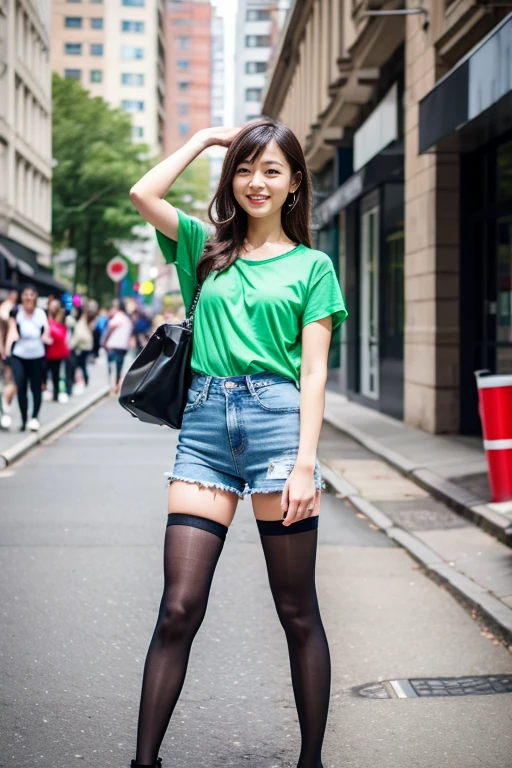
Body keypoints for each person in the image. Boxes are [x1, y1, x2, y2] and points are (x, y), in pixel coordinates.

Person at [128, 119, 348, 768]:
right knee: (177, 608)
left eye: (272, 171)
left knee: (296, 610)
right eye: (247, 169)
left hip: (281, 434)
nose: (257, 181)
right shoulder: (205, 247)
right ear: (233, 178)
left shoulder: (314, 267)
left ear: (294, 185)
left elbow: (313, 371)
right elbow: (143, 193)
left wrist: (307, 465)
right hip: (202, 432)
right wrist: (203, 141)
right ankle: (143, 762)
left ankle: (311, 760)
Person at [6, 285, 53, 431]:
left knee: (35, 387)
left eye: (31, 295)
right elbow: (11, 330)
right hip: (19, 355)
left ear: (35, 297)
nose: (28, 298)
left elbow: (46, 333)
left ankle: (34, 417)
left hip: (37, 355)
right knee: (20, 385)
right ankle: (24, 418)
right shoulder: (16, 312)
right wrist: (7, 349)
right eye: (25, 295)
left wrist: (47, 339)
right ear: (22, 297)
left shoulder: (41, 313)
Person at [103, 299, 133, 394]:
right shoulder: (127, 318)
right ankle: (116, 385)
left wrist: (105, 340)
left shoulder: (118, 317)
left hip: (113, 345)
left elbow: (110, 327)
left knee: (111, 366)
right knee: (119, 367)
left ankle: (111, 386)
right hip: (123, 346)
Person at [46, 298, 72, 403]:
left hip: (58, 352)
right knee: (49, 374)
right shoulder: (48, 319)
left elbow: (61, 335)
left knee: (57, 374)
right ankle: (50, 391)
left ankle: (58, 393)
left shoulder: (61, 320)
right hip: (48, 352)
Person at [0, 290, 19, 429]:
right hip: (6, 354)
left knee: (9, 382)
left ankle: (4, 407)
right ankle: (4, 408)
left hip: (8, 354)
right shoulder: (6, 311)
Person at [70, 302, 96, 386]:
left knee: (78, 364)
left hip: (81, 348)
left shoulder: (81, 322)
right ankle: (84, 378)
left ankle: (77, 380)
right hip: (86, 347)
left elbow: (78, 336)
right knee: (82, 365)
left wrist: (70, 345)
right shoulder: (87, 322)